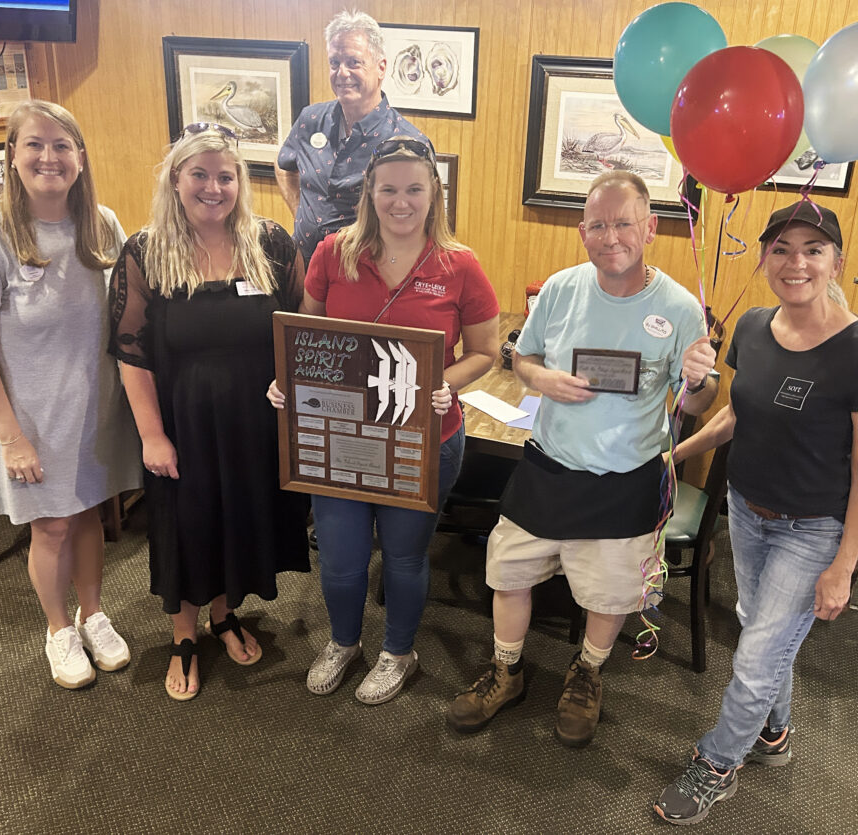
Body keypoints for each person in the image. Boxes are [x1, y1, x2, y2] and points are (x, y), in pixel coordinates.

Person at [448, 170, 718, 746]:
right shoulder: (561, 289)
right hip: (548, 464)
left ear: (649, 228)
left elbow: (697, 399)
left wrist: (698, 381)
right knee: (508, 574)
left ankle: (587, 674)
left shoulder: (679, 308)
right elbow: (521, 358)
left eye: (623, 223)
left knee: (610, 592)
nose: (610, 235)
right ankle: (506, 670)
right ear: (582, 231)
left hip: (627, 476)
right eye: (598, 224)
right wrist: (541, 375)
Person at [653, 201, 858, 825]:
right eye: (782, 249)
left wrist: (844, 565)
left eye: (813, 250)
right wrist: (675, 455)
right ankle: (774, 733)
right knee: (759, 627)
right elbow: (739, 414)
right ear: (765, 258)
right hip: (747, 510)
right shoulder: (756, 327)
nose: (796, 263)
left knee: (758, 653)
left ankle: (718, 762)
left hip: (814, 528)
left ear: (836, 262)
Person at [268, 136, 499, 704]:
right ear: (369, 192)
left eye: (414, 189)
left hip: (424, 437)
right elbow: (309, 336)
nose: (401, 201)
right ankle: (344, 643)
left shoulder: (459, 265)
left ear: (433, 194)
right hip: (343, 436)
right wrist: (288, 379)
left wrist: (446, 382)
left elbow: (486, 352)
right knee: (343, 559)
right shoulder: (332, 252)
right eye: (389, 188)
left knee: (403, 555)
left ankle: (399, 652)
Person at [0, 100, 142, 690]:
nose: (49, 157)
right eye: (34, 144)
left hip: (93, 409)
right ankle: (58, 629)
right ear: (11, 154)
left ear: (80, 157)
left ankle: (94, 613)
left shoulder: (102, 224)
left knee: (87, 515)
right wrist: (12, 439)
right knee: (51, 527)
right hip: (29, 416)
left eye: (62, 145)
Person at [109, 124, 309, 701]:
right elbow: (130, 351)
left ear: (241, 182)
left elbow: (303, 325)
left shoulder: (270, 242)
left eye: (226, 176)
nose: (213, 187)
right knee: (189, 522)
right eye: (200, 174)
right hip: (184, 420)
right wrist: (152, 435)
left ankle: (224, 616)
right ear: (177, 180)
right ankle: (183, 636)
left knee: (239, 518)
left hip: (256, 416)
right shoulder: (146, 251)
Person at [275, 9, 432, 266]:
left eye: (353, 62)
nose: (342, 73)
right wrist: (297, 210)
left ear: (381, 67)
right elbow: (283, 165)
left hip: (365, 277)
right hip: (303, 267)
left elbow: (423, 225)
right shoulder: (310, 119)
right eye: (335, 63)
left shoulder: (406, 143)